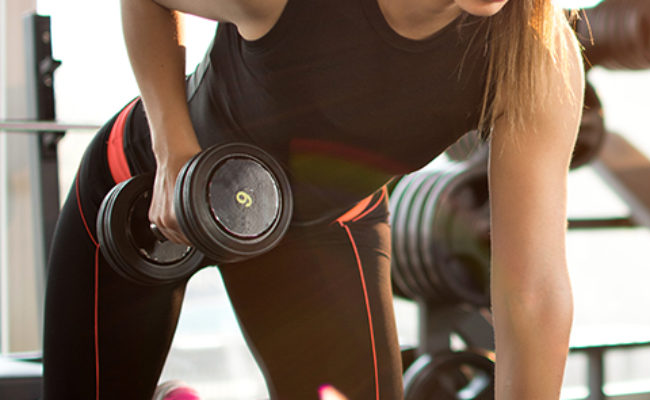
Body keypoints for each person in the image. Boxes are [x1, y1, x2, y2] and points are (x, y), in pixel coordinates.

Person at [41, 0, 583, 397]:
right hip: (147, 190)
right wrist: (174, 152)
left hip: (317, 224)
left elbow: (533, 290)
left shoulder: (537, 53)